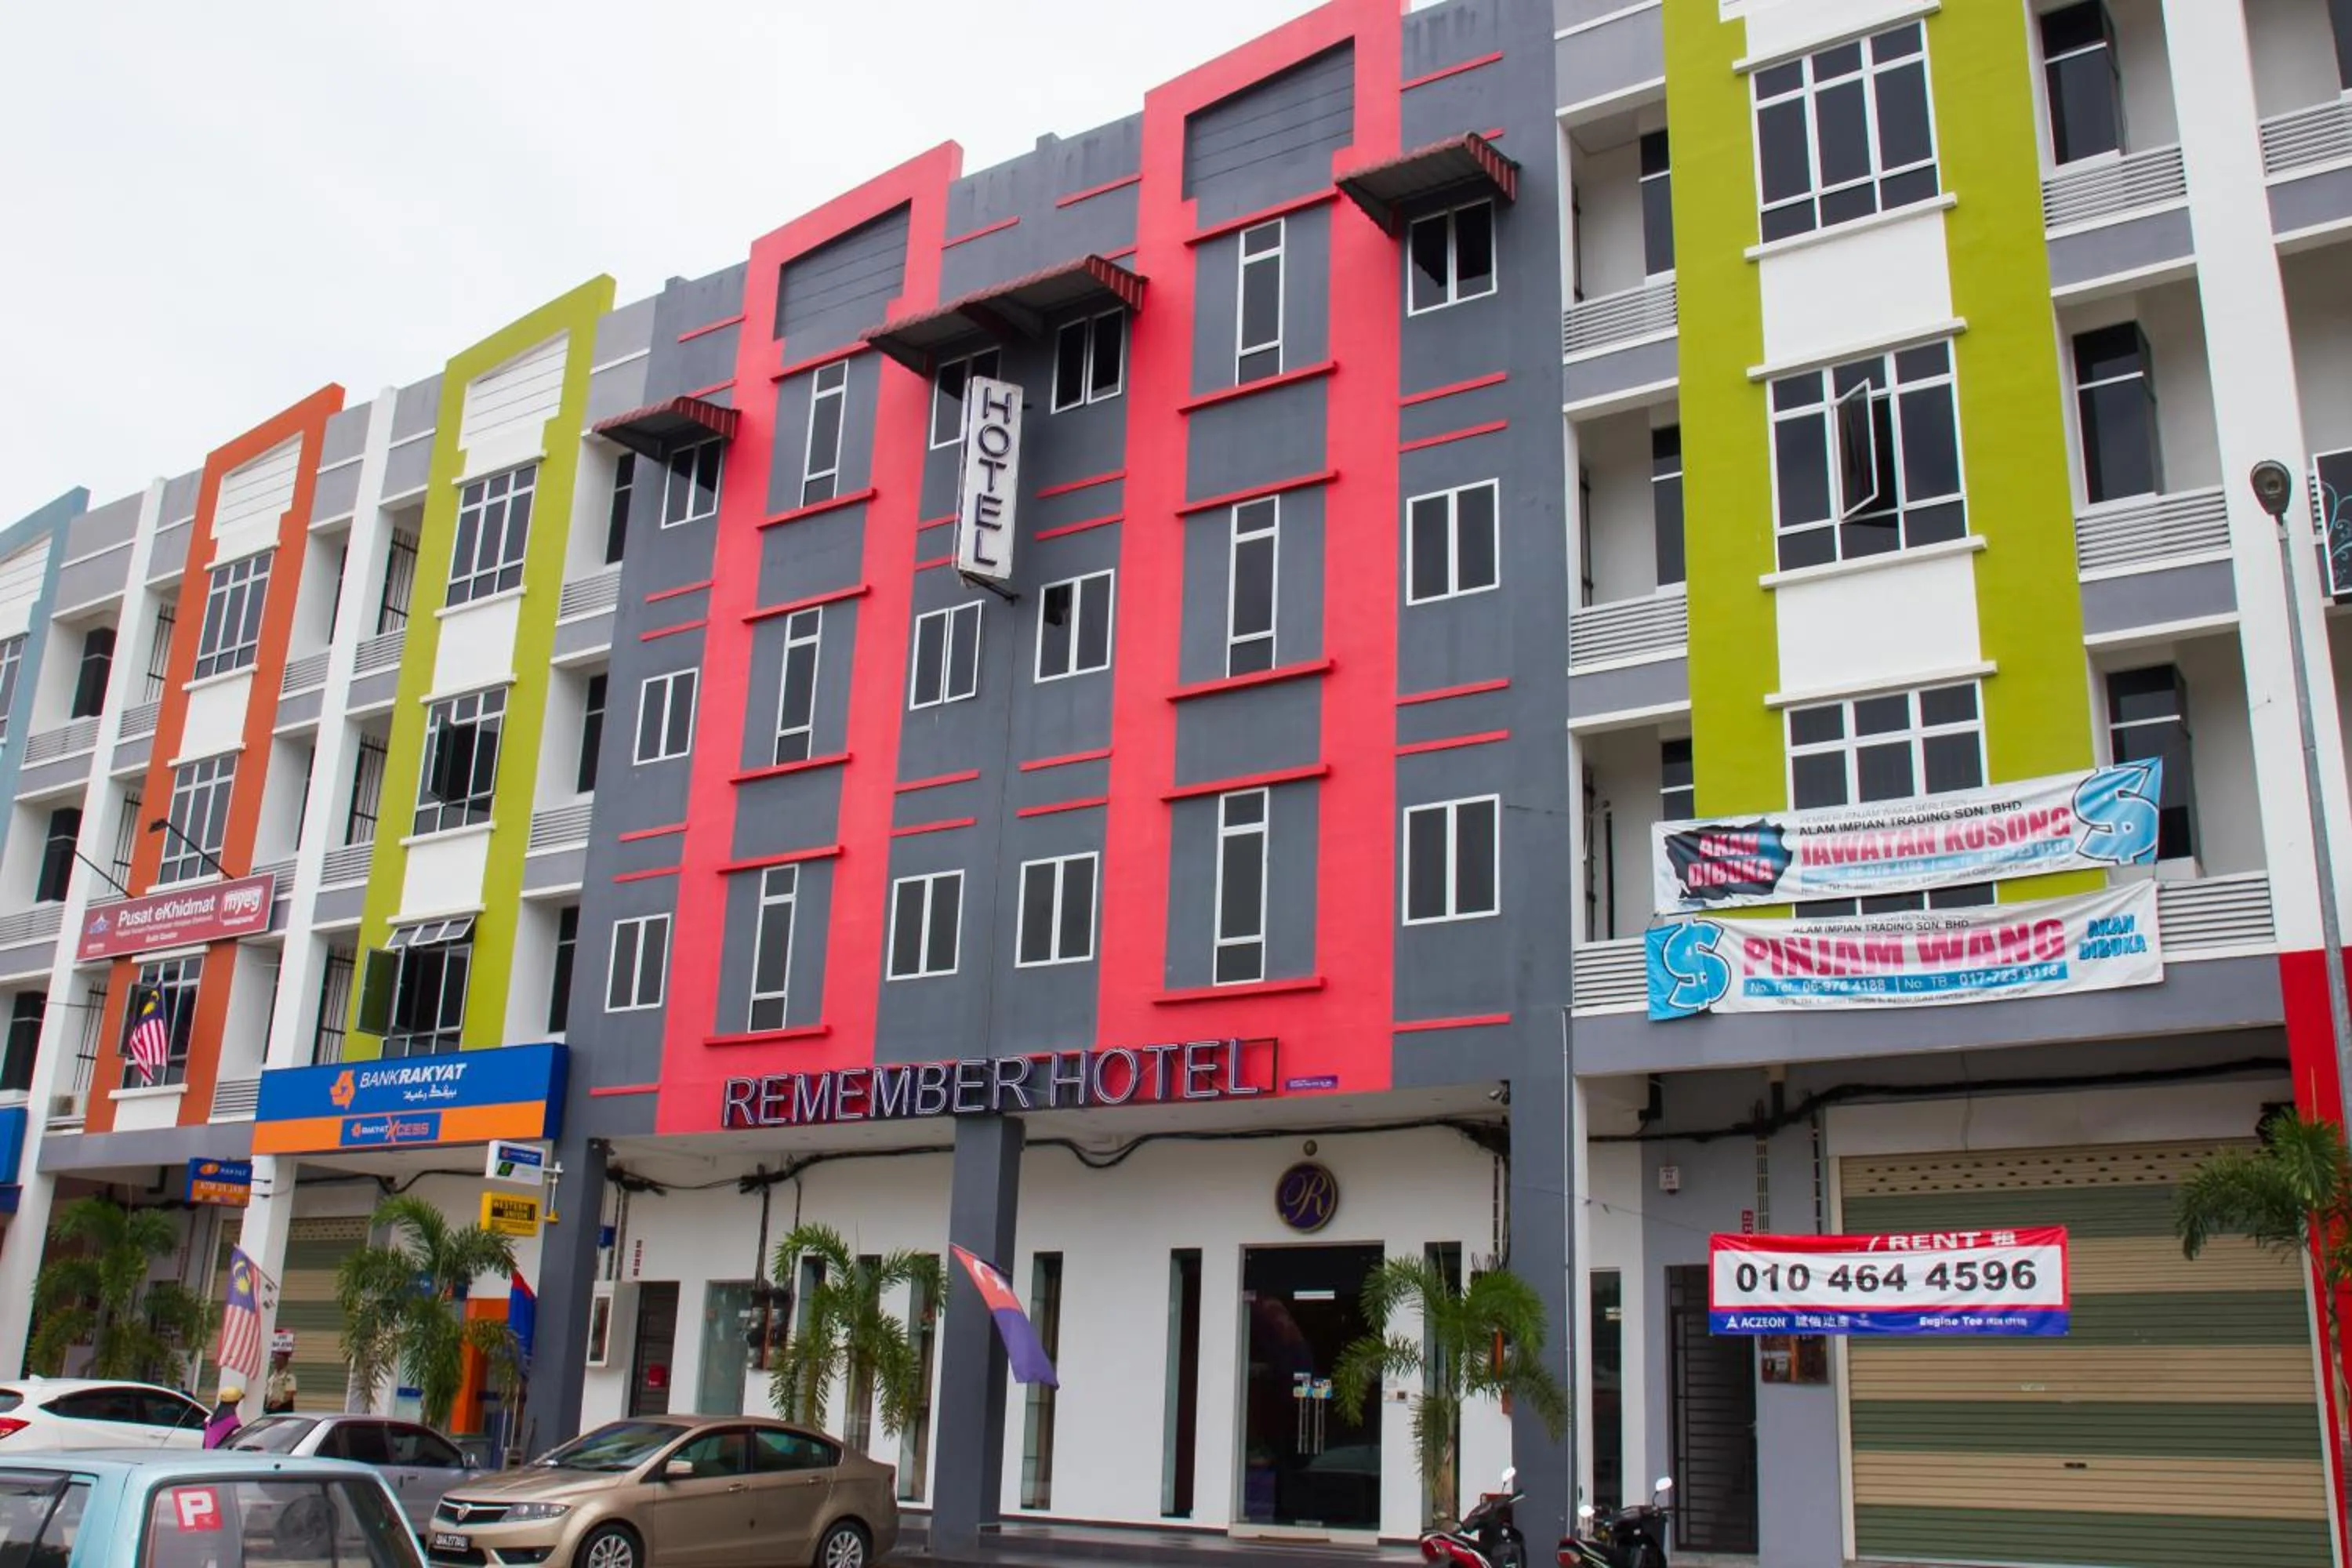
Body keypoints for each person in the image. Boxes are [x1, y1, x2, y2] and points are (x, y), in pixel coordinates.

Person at [202, 1384, 243, 1449]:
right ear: (236, 1403)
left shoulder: (210, 1420)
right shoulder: (234, 1422)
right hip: (219, 1454)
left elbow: (204, 1444)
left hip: (206, 1454)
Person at [264, 1350, 298, 1414]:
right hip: (270, 1407)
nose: (276, 1362)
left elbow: (290, 1394)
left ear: (285, 1362)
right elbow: (268, 1391)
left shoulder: (289, 1377)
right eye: (276, 1360)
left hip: (282, 1408)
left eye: (279, 1360)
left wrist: (279, 1403)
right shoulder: (272, 1377)